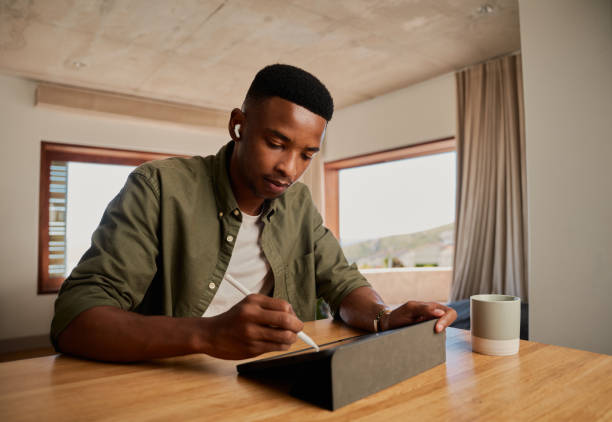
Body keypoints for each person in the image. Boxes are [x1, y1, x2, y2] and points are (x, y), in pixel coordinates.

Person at [51, 64, 457, 362]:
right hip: (174, 378)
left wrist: (385, 316)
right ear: (239, 125)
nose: (290, 168)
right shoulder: (159, 187)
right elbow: (75, 321)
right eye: (277, 143)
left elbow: (341, 282)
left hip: (274, 378)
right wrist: (207, 335)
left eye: (307, 155)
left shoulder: (298, 205)